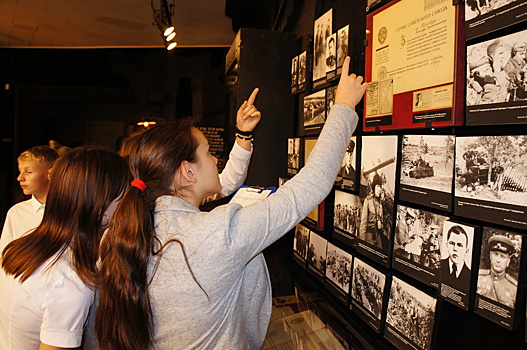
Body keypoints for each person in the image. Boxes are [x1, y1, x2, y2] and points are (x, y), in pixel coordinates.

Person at [94, 57, 367, 350]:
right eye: (209, 153)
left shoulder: (118, 234)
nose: (215, 160)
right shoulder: (217, 233)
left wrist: (243, 134)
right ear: (187, 171)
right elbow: (311, 184)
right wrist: (343, 107)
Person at [0, 146, 130, 349]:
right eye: (124, 196)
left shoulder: (23, 245)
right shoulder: (69, 278)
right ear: (101, 205)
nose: (129, 205)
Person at [0, 146, 59, 253]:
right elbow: (5, 255)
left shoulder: (70, 210)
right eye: (20, 171)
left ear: (50, 173)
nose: (20, 178)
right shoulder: (16, 213)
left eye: (29, 172)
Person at [477, 235, 517, 308]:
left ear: (508, 261)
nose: (498, 260)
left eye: (502, 256)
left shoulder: (514, 289)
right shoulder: (478, 277)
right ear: (490, 256)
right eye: (496, 254)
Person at [439, 225, 471, 294]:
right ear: (447, 245)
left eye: (459, 245)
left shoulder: (470, 276)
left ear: (466, 251)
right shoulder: (437, 266)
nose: (455, 248)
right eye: (452, 243)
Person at [360, 173, 384, 249]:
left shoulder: (380, 204)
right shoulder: (368, 201)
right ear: (374, 188)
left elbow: (382, 223)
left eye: (380, 187)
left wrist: (381, 225)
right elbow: (363, 223)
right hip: (369, 237)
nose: (379, 189)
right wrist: (362, 241)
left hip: (377, 236)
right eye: (377, 186)